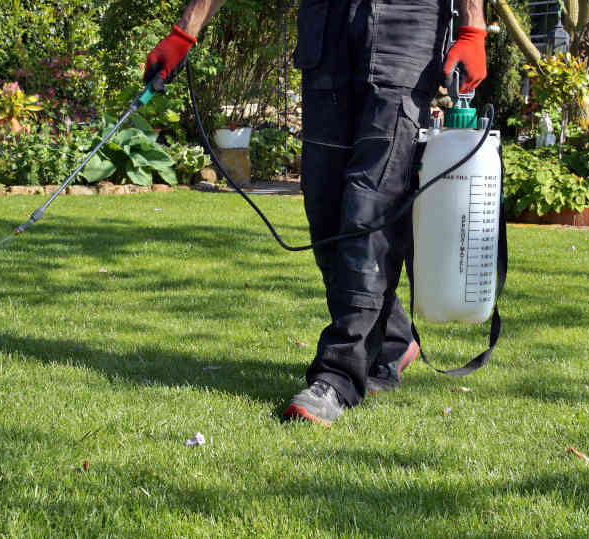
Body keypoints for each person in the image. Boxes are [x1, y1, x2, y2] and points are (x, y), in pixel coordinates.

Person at [144, 0, 487, 426]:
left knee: (370, 204)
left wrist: (474, 27)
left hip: (405, 27)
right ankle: (395, 338)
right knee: (324, 209)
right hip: (326, 30)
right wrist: (183, 33)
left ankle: (337, 376)